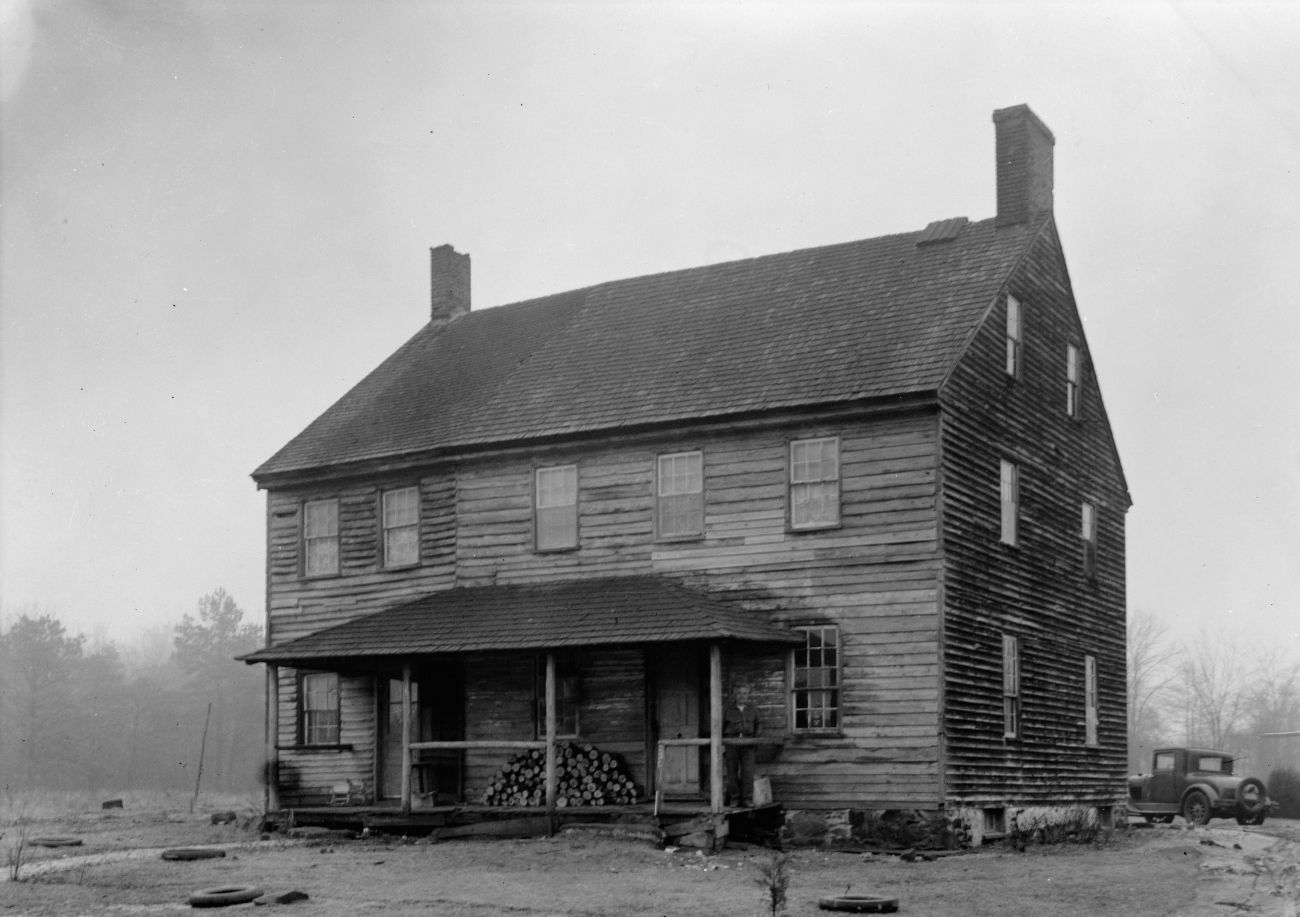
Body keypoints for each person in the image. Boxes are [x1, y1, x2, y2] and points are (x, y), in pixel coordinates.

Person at [723, 684, 759, 807]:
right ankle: (734, 799)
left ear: (748, 695)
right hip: (732, 743)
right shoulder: (728, 710)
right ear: (735, 695)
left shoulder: (752, 709)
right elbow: (719, 727)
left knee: (748, 772)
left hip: (748, 743)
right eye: (739, 693)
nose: (742, 696)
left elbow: (759, 724)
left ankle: (747, 799)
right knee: (732, 772)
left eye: (745, 693)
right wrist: (722, 744)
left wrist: (756, 740)